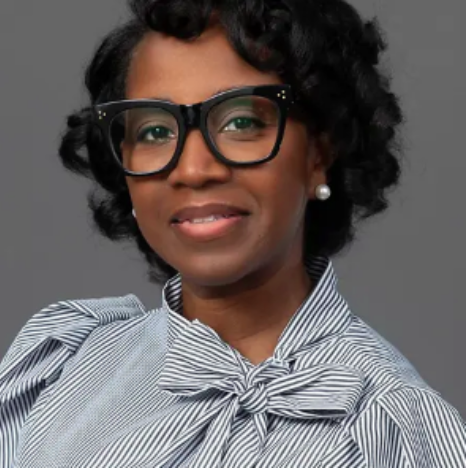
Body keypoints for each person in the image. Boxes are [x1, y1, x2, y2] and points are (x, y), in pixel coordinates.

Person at [1, 0, 465, 466]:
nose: (193, 170)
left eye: (241, 122)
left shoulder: (398, 430)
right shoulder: (64, 364)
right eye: (155, 132)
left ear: (319, 153)